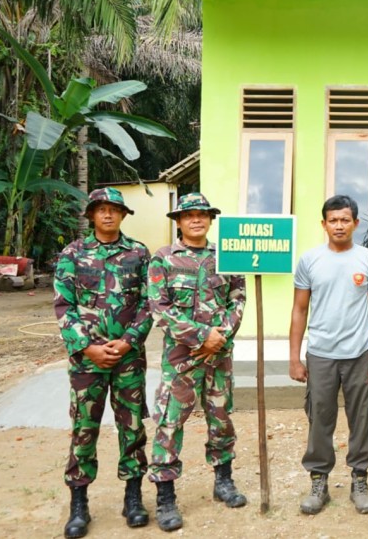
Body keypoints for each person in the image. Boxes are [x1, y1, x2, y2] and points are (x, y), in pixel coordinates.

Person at [53, 187, 152, 538]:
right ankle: (79, 503)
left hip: (128, 360)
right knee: (84, 428)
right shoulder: (73, 254)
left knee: (133, 427)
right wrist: (87, 347)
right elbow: (64, 306)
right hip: (87, 363)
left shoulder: (138, 253)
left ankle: (133, 496)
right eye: (101, 209)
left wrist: (128, 341)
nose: (108, 215)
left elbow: (148, 304)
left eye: (114, 209)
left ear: (123, 215)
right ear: (91, 215)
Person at [146, 192, 247, 532]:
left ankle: (223, 481)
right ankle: (165, 496)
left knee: (221, 419)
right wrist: (202, 336)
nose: (196, 220)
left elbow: (238, 298)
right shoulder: (163, 259)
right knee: (170, 424)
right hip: (181, 359)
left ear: (210, 219)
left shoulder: (226, 255)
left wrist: (222, 337)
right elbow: (159, 309)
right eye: (188, 215)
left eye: (202, 214)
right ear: (178, 221)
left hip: (219, 357)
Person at [289, 195, 368, 515]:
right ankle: (319, 482)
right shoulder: (310, 260)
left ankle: (360, 479)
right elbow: (299, 309)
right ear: (324, 224)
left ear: (356, 224)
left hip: (359, 353)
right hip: (320, 354)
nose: (339, 225)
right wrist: (294, 357)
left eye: (346, 220)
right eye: (333, 220)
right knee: (319, 418)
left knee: (362, 417)